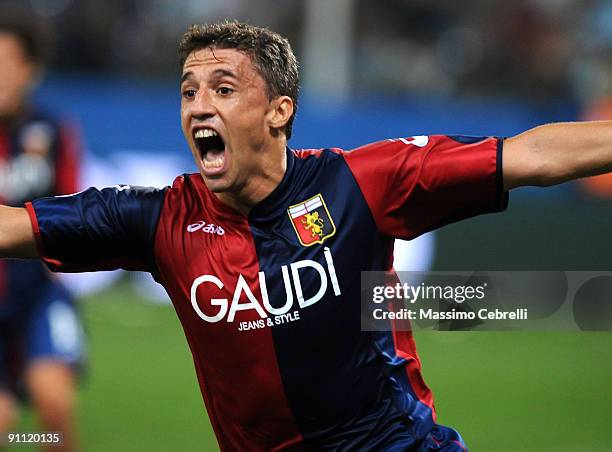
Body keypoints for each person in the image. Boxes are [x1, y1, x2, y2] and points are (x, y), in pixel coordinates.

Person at [1, 20, 612, 450]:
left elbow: (528, 155)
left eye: (222, 88)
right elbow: (13, 225)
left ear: (278, 110)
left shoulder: (362, 183)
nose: (197, 106)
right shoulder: (158, 218)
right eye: (188, 92)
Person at [0, 17, 84, 451]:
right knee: (4, 421)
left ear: (31, 70)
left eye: (8, 62)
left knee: (54, 408)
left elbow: (73, 206)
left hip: (37, 292)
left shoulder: (52, 131)